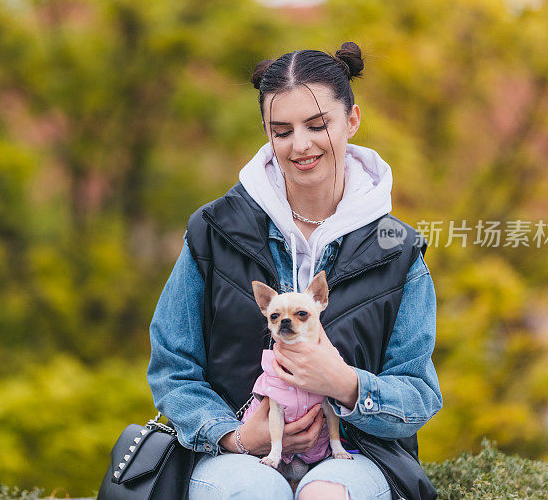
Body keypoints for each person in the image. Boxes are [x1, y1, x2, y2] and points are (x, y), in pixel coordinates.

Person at [147, 44, 443, 500]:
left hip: (360, 458)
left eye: (317, 124)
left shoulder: (398, 250)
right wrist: (237, 437)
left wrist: (345, 385)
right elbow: (173, 368)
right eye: (281, 131)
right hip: (235, 458)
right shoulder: (213, 231)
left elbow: (419, 393)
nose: (300, 145)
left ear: (352, 120)